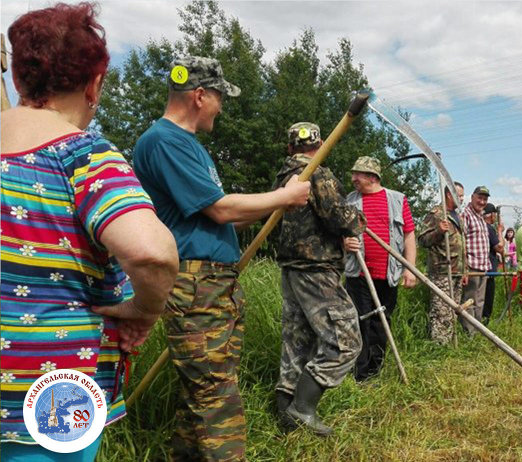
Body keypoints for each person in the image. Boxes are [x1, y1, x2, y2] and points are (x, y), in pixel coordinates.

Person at [1, 4, 178, 460]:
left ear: (19, 79)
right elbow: (152, 254)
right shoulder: (80, 155)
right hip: (49, 398)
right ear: (94, 83)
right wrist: (142, 310)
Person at [132, 58, 310, 459]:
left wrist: (274, 205)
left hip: (214, 284)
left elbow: (227, 215)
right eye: (219, 98)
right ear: (199, 96)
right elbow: (220, 210)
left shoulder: (190, 146)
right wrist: (283, 197)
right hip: (196, 285)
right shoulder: (164, 141)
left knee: (205, 390)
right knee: (217, 398)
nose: (221, 108)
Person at [272, 122, 365, 436]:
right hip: (316, 268)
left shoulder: (283, 177)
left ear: (289, 148)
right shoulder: (317, 173)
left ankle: (285, 415)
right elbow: (337, 217)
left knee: (297, 341)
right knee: (346, 340)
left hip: (291, 269)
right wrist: (358, 220)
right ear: (322, 144)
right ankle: (303, 409)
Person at [343, 156, 416, 382]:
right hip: (359, 273)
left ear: (372, 177)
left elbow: (409, 235)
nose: (353, 178)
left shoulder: (397, 199)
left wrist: (409, 269)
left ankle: (375, 369)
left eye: (358, 174)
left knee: (381, 321)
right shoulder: (349, 201)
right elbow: (339, 233)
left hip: (388, 273)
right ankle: (360, 374)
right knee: (360, 320)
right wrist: (345, 242)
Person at [418, 187, 467, 345]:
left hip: (457, 271)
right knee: (441, 311)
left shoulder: (458, 217)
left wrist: (465, 271)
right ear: (448, 194)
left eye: (462, 196)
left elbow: (461, 247)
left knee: (453, 310)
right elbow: (422, 240)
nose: (461, 199)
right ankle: (439, 346)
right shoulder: (436, 214)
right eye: (458, 195)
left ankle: (451, 342)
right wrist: (438, 231)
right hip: (442, 271)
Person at [459, 186, 491, 333]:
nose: (482, 201)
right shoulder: (466, 215)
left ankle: (477, 331)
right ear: (472, 197)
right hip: (472, 265)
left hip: (483, 266)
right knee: (469, 301)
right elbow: (462, 242)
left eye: (485, 199)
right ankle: (469, 333)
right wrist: (464, 268)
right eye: (480, 198)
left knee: (480, 301)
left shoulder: (481, 216)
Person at [482, 203, 504, 323]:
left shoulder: (483, 227)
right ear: (491, 215)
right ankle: (485, 320)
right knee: (487, 297)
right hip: (489, 269)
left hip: (485, 267)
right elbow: (499, 248)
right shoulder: (488, 228)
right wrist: (500, 231)